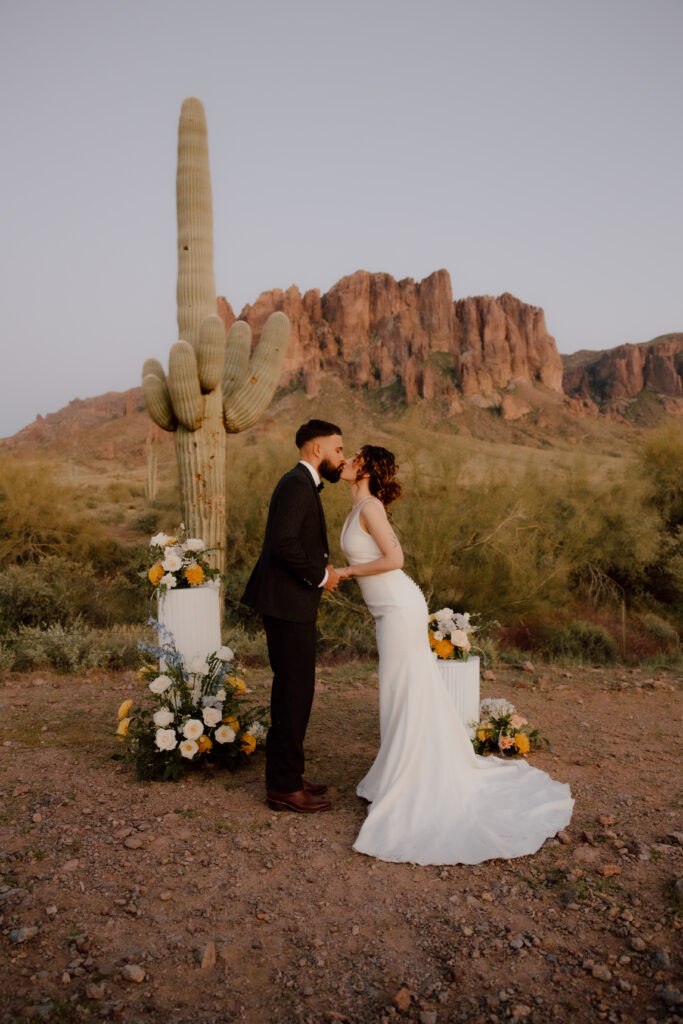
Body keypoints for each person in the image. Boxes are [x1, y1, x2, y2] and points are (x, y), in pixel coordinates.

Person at [336, 445, 574, 864]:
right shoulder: (358, 508)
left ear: (366, 469)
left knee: (405, 686)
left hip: (399, 606)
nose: (346, 461)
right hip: (385, 608)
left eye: (353, 457)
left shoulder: (370, 506)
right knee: (400, 688)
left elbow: (396, 558)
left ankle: (412, 779)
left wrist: (346, 572)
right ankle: (397, 772)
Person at [242, 420, 345, 813]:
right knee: (292, 694)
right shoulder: (296, 484)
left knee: (296, 691)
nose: (341, 457)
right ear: (317, 450)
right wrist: (321, 576)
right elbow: (283, 543)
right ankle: (283, 786)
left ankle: (288, 775)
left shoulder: (300, 483)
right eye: (337, 450)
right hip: (287, 606)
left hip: (290, 604)